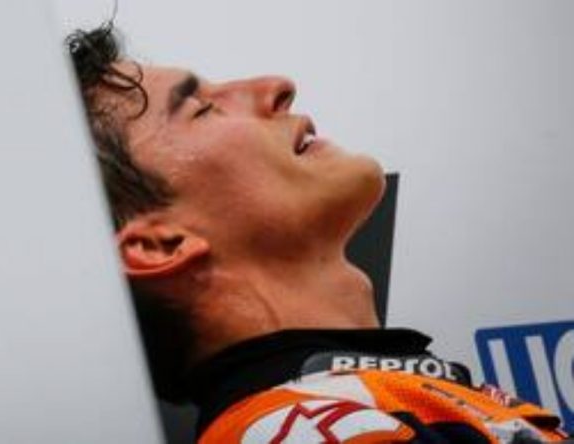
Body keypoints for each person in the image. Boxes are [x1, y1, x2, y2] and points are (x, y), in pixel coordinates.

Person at [65, 23, 570, 443]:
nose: (277, 86)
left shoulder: (364, 405)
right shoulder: (294, 430)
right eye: (202, 108)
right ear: (160, 245)